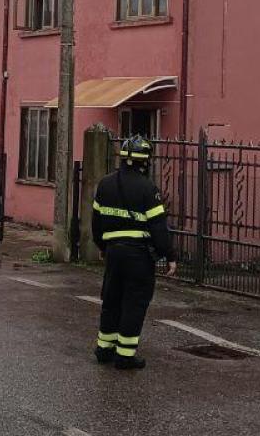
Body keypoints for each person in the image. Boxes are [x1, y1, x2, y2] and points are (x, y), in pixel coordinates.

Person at [91, 135, 176, 370]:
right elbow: (158, 227)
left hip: (113, 253)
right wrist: (169, 256)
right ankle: (125, 356)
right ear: (145, 161)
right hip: (138, 256)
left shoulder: (104, 184)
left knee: (111, 300)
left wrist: (102, 247)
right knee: (134, 303)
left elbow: (96, 224)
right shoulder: (148, 188)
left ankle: (104, 349)